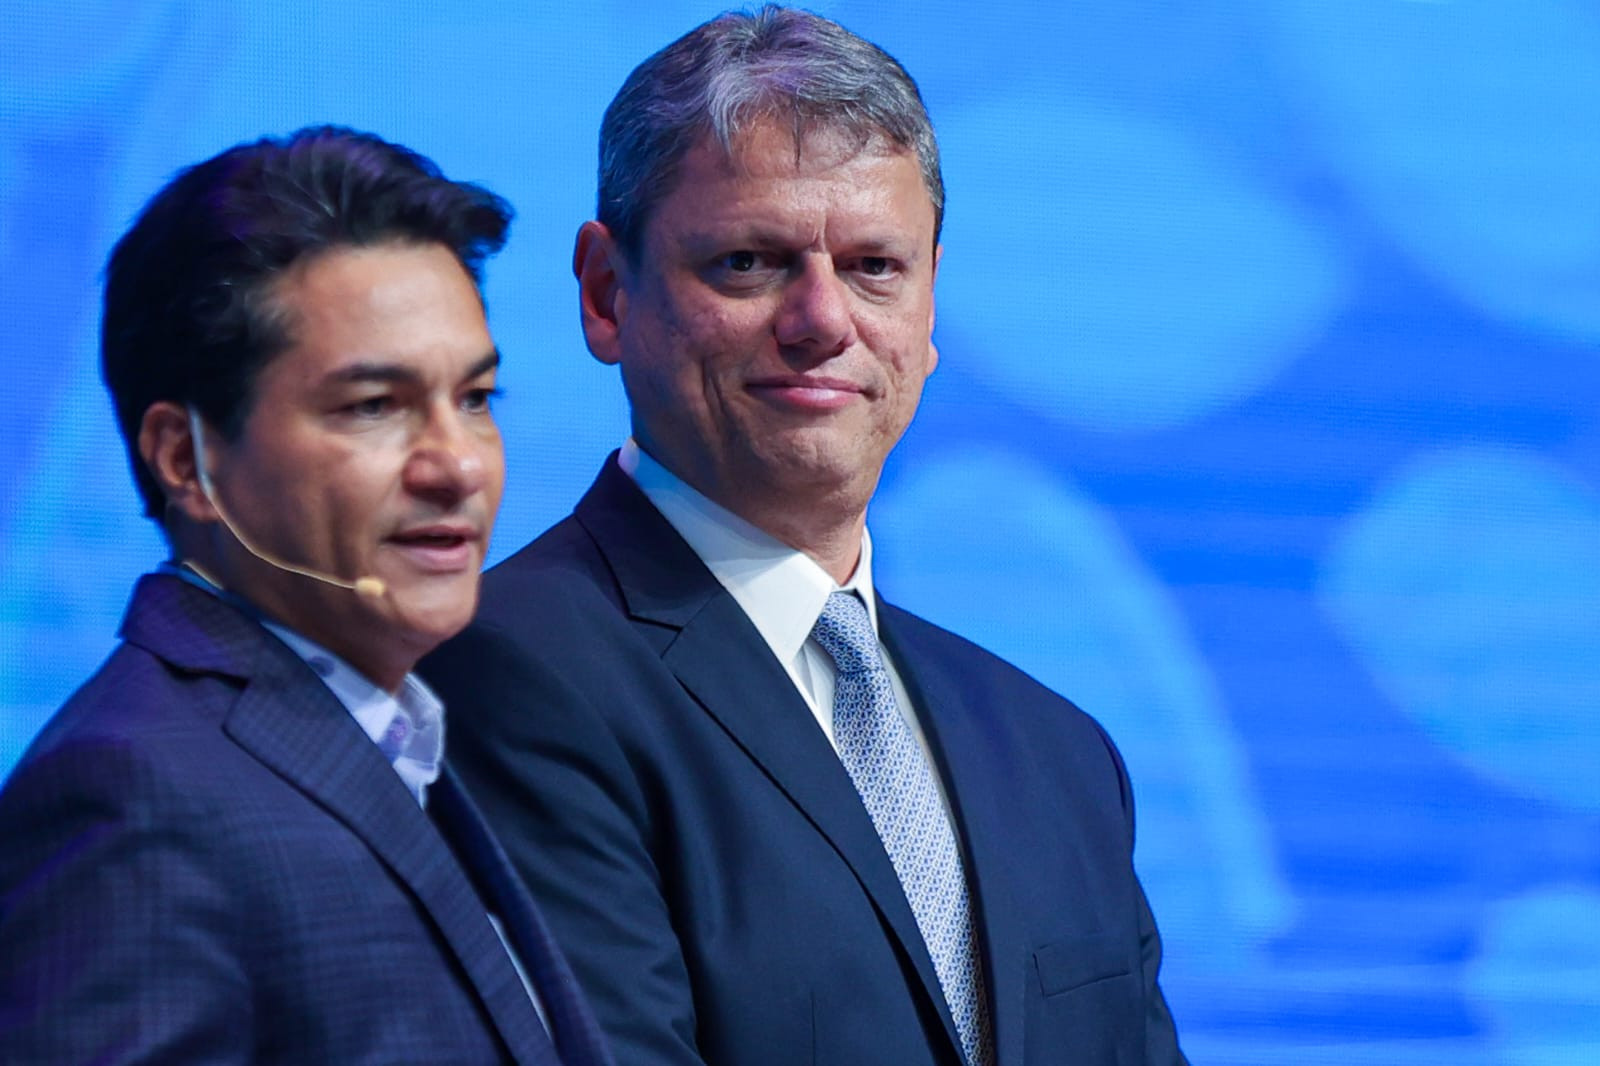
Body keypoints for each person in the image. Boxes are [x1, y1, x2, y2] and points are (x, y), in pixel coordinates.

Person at [423, 8, 1187, 1065]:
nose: (823, 319)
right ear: (606, 294)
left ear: (929, 306)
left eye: (875, 266)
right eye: (748, 262)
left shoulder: (1057, 753)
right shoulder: (501, 673)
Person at [0, 126, 612, 1066]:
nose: (457, 465)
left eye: (475, 398)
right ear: (185, 460)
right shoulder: (129, 794)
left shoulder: (395, 737)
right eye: (374, 406)